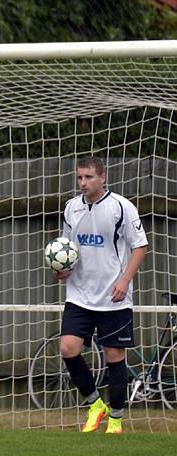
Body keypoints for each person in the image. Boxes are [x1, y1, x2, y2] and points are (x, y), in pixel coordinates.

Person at [57, 156, 148, 434]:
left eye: (89, 177)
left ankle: (117, 419)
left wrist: (124, 281)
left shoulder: (122, 208)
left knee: (113, 356)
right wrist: (61, 270)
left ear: (103, 177)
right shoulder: (71, 208)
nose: (83, 183)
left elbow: (140, 246)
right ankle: (96, 404)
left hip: (113, 297)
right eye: (80, 177)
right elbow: (66, 249)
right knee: (68, 348)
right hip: (79, 296)